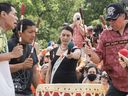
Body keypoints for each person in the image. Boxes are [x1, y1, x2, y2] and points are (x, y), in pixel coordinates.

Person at [84, 3, 128, 96]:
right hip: (116, 86)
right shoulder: (105, 34)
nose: (111, 22)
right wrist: (90, 52)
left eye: (114, 19)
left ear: (123, 16)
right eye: (109, 20)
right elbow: (97, 59)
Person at [8, 19, 39, 96]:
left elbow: (34, 72)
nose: (33, 35)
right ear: (20, 33)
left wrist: (40, 91)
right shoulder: (9, 45)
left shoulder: (31, 48)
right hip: (11, 92)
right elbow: (2, 68)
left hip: (27, 93)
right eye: (30, 32)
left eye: (35, 32)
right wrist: (22, 65)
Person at [0, 2, 23, 96]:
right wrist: (12, 54)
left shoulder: (3, 35)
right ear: (3, 14)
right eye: (14, 14)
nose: (17, 18)